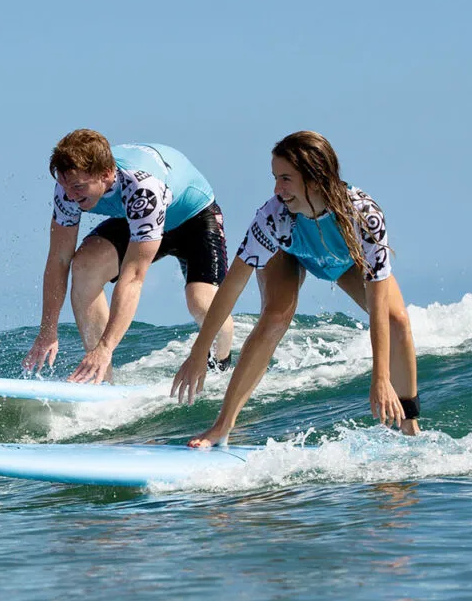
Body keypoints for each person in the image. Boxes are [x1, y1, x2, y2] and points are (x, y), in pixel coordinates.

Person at [171, 130, 419, 446]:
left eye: (286, 179)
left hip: (344, 262)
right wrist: (199, 352)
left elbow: (378, 307)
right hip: (288, 253)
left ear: (314, 178)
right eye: (275, 178)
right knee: (275, 317)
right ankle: (222, 426)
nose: (277, 189)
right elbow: (232, 287)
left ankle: (410, 424)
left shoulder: (363, 215)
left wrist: (381, 378)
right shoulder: (273, 217)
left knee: (397, 320)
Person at [23, 129, 235, 383]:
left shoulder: (142, 188)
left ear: (106, 174)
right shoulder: (68, 189)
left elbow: (133, 276)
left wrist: (106, 346)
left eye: (78, 187)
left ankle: (220, 371)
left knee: (201, 303)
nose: (69, 195)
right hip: (136, 217)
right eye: (64, 185)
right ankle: (102, 380)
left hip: (193, 220)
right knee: (85, 267)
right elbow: (59, 259)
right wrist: (48, 330)